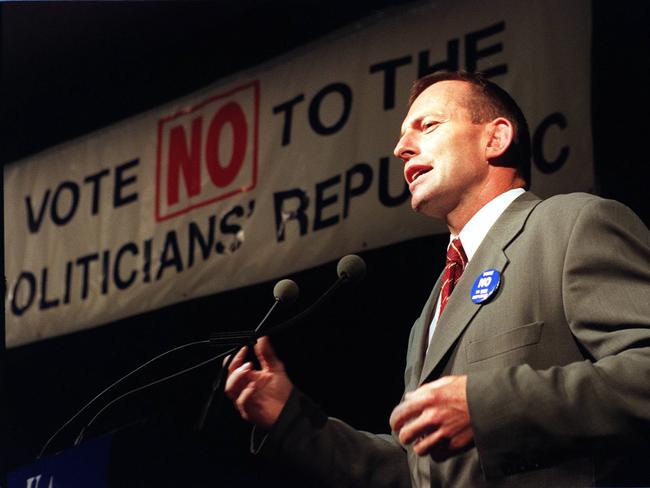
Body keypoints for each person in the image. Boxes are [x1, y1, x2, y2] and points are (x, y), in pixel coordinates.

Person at [224, 71, 650, 487]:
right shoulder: (433, 309)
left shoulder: (572, 224)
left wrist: (486, 408)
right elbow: (418, 469)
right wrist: (290, 419)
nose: (400, 148)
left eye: (427, 126)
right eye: (403, 136)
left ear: (495, 138)